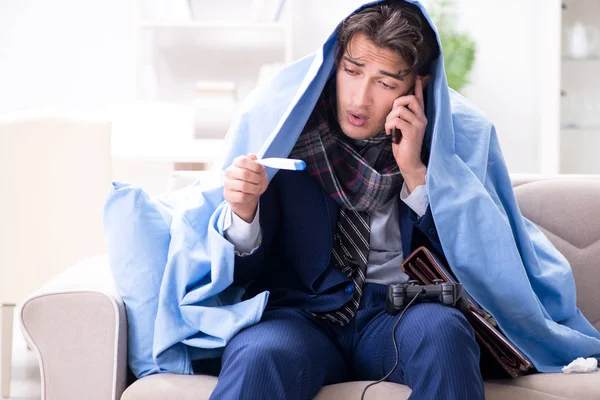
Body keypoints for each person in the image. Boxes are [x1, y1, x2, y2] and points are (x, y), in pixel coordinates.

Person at [211, 1, 486, 399]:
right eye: (352, 71)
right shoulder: (286, 128)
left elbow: (473, 265)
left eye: (386, 82)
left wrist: (415, 173)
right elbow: (243, 273)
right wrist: (243, 211)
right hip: (300, 316)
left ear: (416, 86)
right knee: (258, 353)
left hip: (400, 311)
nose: (359, 99)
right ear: (334, 63)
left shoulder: (447, 143)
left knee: (444, 333)